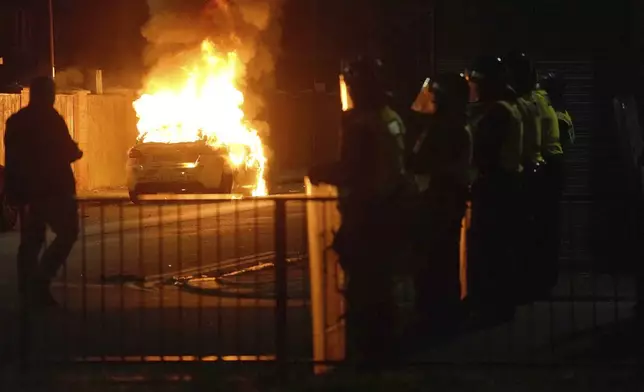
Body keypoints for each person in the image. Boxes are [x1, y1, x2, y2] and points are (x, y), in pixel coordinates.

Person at [308, 56, 411, 370]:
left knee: (364, 288)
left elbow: (354, 168)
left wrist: (320, 172)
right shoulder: (391, 117)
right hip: (392, 208)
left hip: (368, 214)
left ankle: (367, 360)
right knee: (383, 286)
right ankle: (386, 353)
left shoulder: (362, 123)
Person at [4, 76, 83, 308]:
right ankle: (39, 282)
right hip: (54, 190)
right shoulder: (51, 119)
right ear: (48, 94)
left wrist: (14, 190)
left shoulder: (16, 121)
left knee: (31, 241)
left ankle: (27, 290)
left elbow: (12, 160)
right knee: (68, 233)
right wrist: (75, 152)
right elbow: (67, 151)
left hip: (28, 192)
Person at [407, 73, 471, 337]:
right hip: (451, 198)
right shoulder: (459, 124)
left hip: (438, 200)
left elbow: (417, 162)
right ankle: (447, 316)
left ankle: (433, 321)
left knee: (432, 263)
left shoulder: (442, 128)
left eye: (434, 96)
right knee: (446, 260)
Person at [465, 55, 524, 325]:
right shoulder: (505, 107)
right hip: (505, 184)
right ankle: (500, 304)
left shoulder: (498, 112)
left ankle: (494, 306)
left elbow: (484, 152)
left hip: (496, 185)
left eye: (478, 82)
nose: (475, 89)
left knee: (491, 248)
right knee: (501, 248)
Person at [504, 50, 547, 303]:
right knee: (530, 233)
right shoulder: (535, 100)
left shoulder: (520, 104)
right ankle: (529, 285)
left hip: (524, 173)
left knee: (518, 235)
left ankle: (519, 288)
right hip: (534, 169)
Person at [534, 72, 568, 293]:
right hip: (555, 169)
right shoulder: (560, 113)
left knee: (545, 227)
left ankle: (545, 278)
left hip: (551, 170)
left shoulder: (556, 116)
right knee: (547, 226)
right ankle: (546, 276)